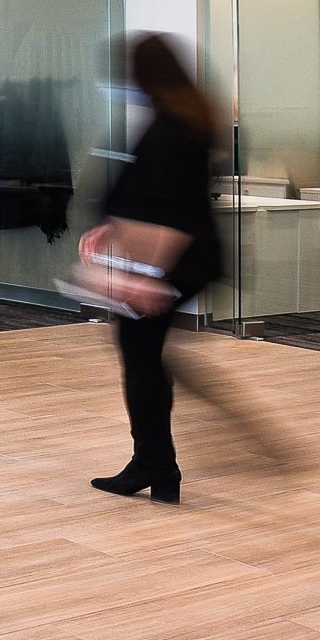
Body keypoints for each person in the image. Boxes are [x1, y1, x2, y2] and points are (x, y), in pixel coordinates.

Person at [80, 33, 224, 505]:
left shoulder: (174, 128)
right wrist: (112, 230)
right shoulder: (178, 118)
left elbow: (173, 210)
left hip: (177, 259)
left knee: (140, 352)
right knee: (143, 352)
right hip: (180, 258)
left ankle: (156, 465)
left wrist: (150, 276)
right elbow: (147, 194)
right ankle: (157, 466)